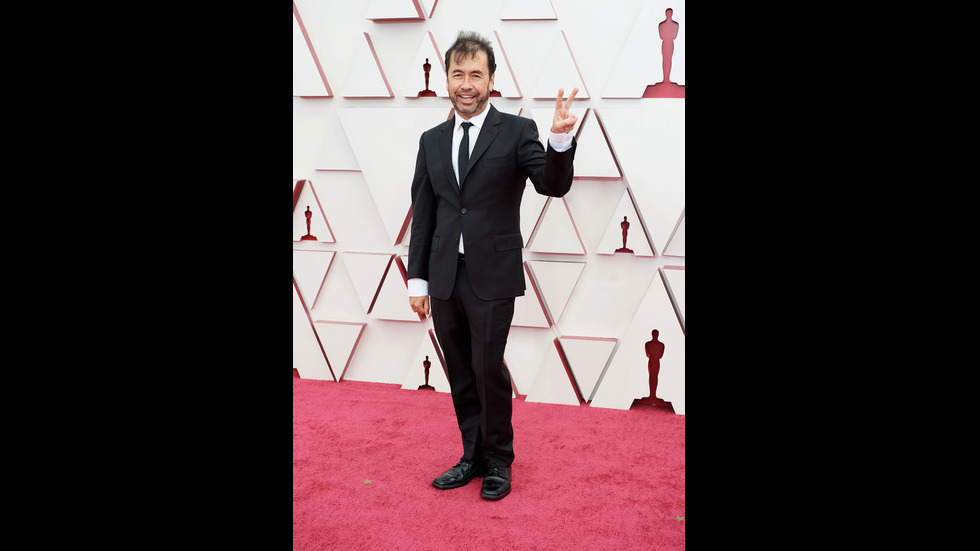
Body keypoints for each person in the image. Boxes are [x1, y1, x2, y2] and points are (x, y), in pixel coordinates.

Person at [407, 30, 578, 501]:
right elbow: (424, 213)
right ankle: (472, 457)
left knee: (487, 369)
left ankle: (499, 460)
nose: (466, 84)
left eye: (475, 75)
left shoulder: (518, 131)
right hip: (445, 275)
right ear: (446, 79)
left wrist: (559, 140)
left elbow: (552, 185)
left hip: (493, 275)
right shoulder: (431, 140)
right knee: (461, 371)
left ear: (491, 79)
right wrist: (417, 280)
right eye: (457, 74)